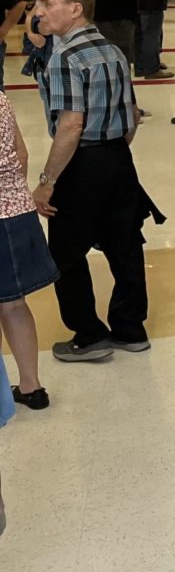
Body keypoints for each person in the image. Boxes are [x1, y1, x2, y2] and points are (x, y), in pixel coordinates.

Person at [31, 0, 161, 363]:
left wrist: (46, 181)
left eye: (47, 3)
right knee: (124, 244)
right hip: (118, 159)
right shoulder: (113, 50)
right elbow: (132, 112)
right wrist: (115, 152)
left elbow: (71, 124)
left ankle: (88, 334)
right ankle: (130, 327)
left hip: (82, 163)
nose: (38, 12)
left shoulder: (66, 57)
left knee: (67, 252)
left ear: (75, 8)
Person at [0, 90, 58, 409]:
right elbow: (21, 155)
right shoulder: (1, 101)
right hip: (17, 215)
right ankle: (32, 386)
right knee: (14, 304)